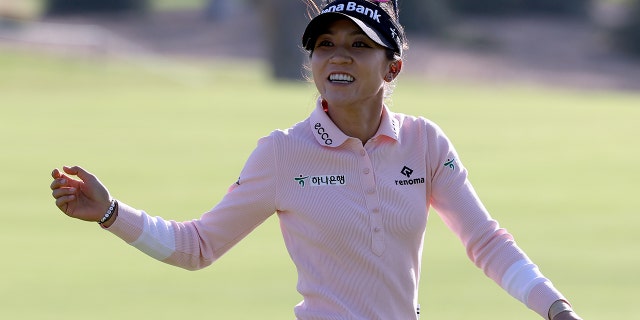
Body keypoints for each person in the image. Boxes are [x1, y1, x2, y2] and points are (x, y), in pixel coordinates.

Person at [50, 0, 583, 319]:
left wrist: (555, 307)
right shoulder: (282, 153)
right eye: (325, 44)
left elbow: (485, 242)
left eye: (358, 44)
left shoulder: (425, 144)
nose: (338, 56)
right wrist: (110, 213)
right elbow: (197, 246)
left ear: (391, 68)